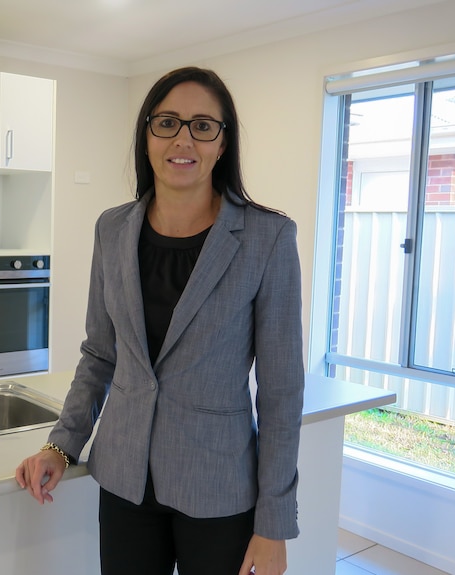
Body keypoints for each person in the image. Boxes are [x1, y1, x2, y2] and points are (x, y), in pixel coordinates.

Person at [16, 66, 304, 575]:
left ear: (222, 143)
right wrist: (61, 445)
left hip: (218, 487)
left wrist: (273, 522)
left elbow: (281, 391)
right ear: (147, 137)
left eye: (202, 125)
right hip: (126, 480)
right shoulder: (112, 229)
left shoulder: (268, 238)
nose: (183, 138)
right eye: (167, 122)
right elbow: (99, 353)